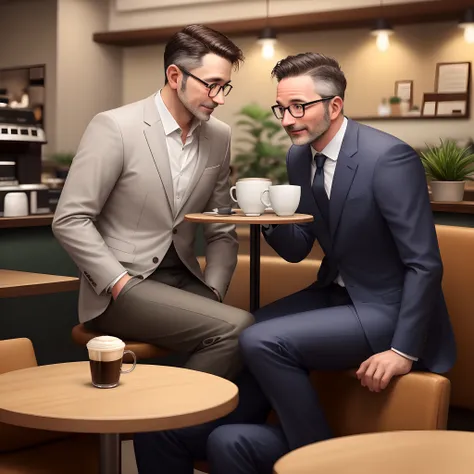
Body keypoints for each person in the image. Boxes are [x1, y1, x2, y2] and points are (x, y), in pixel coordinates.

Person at [133, 53, 456, 474]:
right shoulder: (299, 157)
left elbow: (425, 263)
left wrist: (402, 349)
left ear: (334, 106)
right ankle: (216, 435)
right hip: (335, 294)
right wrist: (264, 216)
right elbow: (297, 247)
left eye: (299, 107)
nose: (287, 119)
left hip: (387, 307)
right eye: (281, 108)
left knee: (264, 341)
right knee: (248, 327)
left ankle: (318, 458)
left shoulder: (388, 158)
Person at [52, 24, 253, 382]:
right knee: (238, 329)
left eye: (225, 87)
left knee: (255, 336)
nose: (220, 98)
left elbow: (221, 225)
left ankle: (195, 434)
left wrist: (214, 290)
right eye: (212, 85)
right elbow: (70, 218)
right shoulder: (115, 126)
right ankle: (166, 436)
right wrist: (117, 282)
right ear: (175, 75)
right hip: (122, 287)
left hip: (185, 279)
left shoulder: (218, 136)